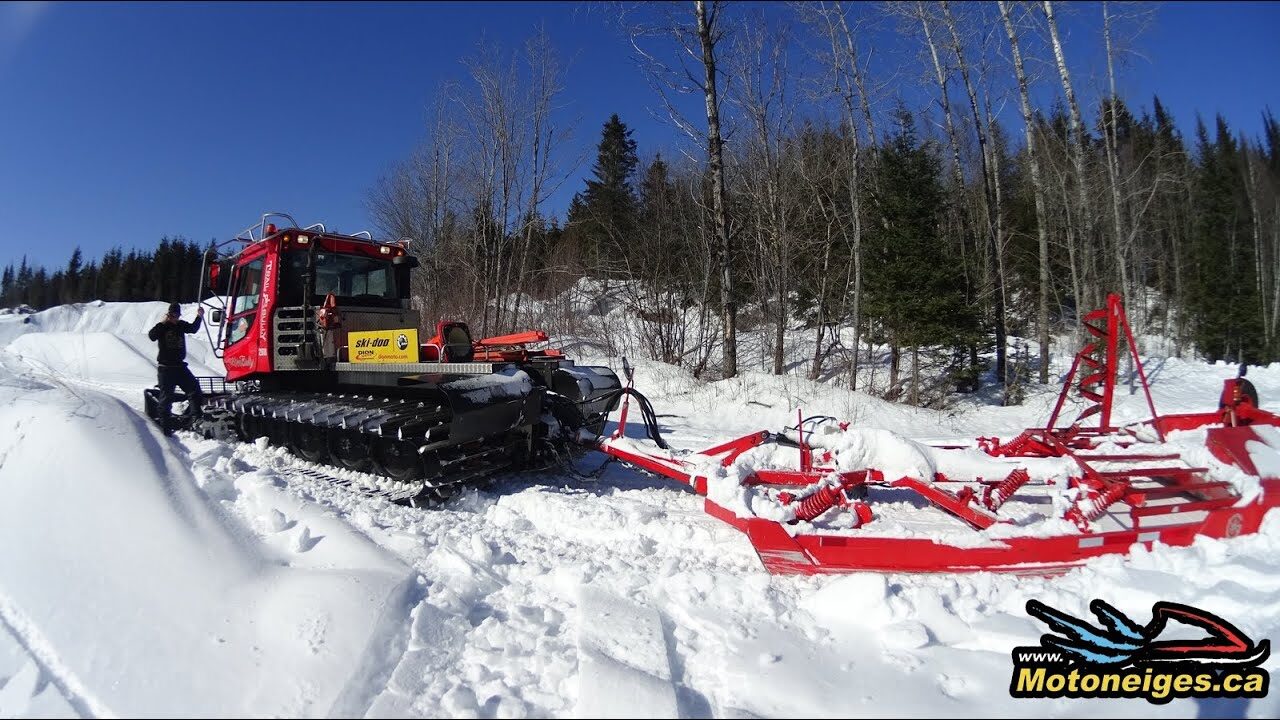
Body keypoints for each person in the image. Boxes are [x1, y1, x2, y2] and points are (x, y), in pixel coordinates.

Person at [148, 302, 205, 434]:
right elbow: (152, 336)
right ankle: (165, 429)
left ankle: (196, 419)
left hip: (180, 367)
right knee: (166, 398)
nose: (175, 318)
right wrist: (162, 323)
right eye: (173, 315)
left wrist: (199, 316)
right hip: (165, 369)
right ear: (168, 315)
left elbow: (193, 328)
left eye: (177, 315)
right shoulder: (162, 327)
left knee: (194, 390)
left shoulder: (181, 325)